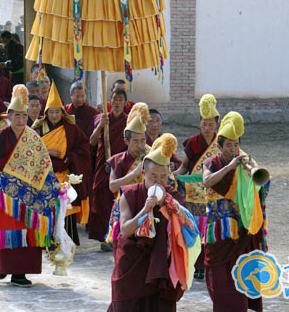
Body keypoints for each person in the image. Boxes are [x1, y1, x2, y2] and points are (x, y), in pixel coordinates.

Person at [0, 85, 61, 287]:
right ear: (10, 116)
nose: (21, 120)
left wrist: (52, 188)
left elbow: (43, 165)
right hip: (4, 194)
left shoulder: (33, 138)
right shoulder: (0, 136)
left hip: (29, 196)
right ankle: (1, 268)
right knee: (5, 231)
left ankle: (19, 274)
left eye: (24, 116)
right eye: (17, 116)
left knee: (26, 231)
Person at [108, 133, 200, 311]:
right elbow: (125, 231)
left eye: (163, 177)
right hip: (133, 267)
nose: (158, 182)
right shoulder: (129, 194)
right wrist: (145, 210)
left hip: (161, 268)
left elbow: (190, 228)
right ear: (143, 174)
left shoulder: (173, 196)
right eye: (153, 177)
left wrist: (172, 208)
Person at [202, 112, 265, 312]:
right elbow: (207, 181)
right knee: (221, 281)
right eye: (228, 145)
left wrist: (248, 172)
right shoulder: (212, 162)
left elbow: (262, 188)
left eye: (235, 144)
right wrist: (229, 168)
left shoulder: (245, 162)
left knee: (241, 279)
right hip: (220, 231)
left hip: (241, 228)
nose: (233, 149)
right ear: (219, 147)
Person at [33, 81, 92, 244]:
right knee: (46, 210)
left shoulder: (70, 128)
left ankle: (66, 240)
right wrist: (48, 152)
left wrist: (69, 159)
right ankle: (45, 241)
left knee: (65, 210)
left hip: (64, 175)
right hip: (44, 176)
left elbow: (83, 147)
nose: (54, 115)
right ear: (46, 112)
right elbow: (30, 150)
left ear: (62, 112)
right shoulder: (38, 128)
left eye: (57, 112)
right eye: (51, 112)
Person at [174, 94, 221, 279]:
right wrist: (174, 175)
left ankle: (208, 264)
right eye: (204, 124)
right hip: (193, 193)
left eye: (210, 125)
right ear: (199, 123)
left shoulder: (221, 142)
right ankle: (196, 265)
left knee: (209, 229)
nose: (207, 128)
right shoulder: (193, 142)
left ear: (216, 124)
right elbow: (185, 166)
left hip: (213, 191)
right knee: (196, 229)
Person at [103, 103, 151, 251]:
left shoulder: (151, 157)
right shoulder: (118, 160)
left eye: (143, 140)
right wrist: (134, 174)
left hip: (146, 206)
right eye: (135, 141)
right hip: (124, 208)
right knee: (122, 249)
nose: (140, 145)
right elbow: (112, 187)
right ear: (126, 141)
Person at [89, 88, 128, 243]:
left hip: (120, 166)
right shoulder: (103, 119)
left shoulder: (128, 121)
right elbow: (91, 142)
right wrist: (100, 126)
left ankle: (117, 234)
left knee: (118, 200)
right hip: (102, 166)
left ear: (125, 103)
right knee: (100, 200)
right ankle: (103, 237)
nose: (117, 102)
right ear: (110, 102)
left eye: (120, 99)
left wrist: (115, 164)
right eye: (114, 99)